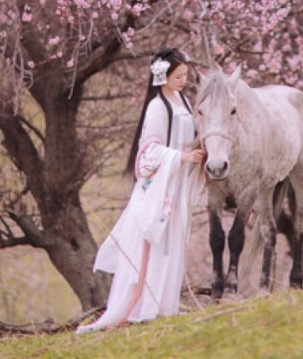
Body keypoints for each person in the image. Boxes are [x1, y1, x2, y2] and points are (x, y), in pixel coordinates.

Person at [76, 47, 206, 333]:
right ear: (164, 77)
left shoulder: (181, 99)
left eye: (185, 75)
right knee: (155, 244)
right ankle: (144, 305)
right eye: (179, 76)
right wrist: (181, 157)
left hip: (179, 183)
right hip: (161, 187)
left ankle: (165, 303)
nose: (184, 81)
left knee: (173, 243)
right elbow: (148, 152)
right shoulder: (157, 107)